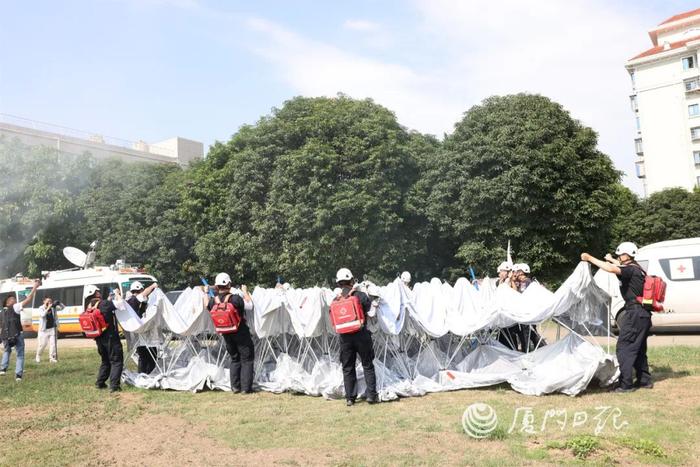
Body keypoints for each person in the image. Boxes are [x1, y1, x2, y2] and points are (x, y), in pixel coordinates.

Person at [581, 242, 652, 393]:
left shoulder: (629, 270)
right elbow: (618, 265)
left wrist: (589, 258)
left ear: (628, 255)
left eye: (621, 254)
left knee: (624, 348)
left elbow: (611, 269)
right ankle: (644, 380)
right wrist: (612, 258)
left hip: (634, 314)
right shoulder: (638, 269)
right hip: (643, 314)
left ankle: (625, 385)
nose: (619, 257)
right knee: (638, 348)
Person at [334, 268, 378, 406]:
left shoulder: (336, 299)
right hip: (361, 334)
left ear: (338, 283)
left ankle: (350, 398)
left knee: (348, 367)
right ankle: (371, 395)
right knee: (367, 364)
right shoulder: (360, 295)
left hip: (345, 337)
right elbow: (370, 312)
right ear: (351, 280)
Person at [204, 273, 255, 394]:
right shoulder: (235, 298)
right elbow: (250, 306)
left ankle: (235, 387)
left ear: (216, 286)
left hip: (226, 333)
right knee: (247, 359)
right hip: (240, 332)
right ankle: (246, 388)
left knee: (234, 359)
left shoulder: (213, 301)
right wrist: (245, 291)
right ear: (229, 284)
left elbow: (206, 305)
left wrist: (206, 292)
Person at [84, 285, 124, 392]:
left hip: (98, 338)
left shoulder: (89, 306)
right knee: (116, 360)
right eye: (98, 291)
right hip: (110, 337)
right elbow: (121, 305)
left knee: (105, 360)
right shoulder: (104, 303)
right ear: (95, 293)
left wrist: (109, 299)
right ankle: (114, 386)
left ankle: (100, 382)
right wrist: (117, 294)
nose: (100, 293)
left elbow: (104, 307)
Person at [1, 279, 39, 381]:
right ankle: (18, 375)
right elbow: (29, 298)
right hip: (17, 334)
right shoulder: (15, 307)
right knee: (20, 354)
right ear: (8, 302)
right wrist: (35, 287)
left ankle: (3, 368)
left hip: (5, 335)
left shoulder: (2, 312)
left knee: (7, 351)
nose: (15, 300)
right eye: (13, 299)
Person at [126, 281, 159, 375]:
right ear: (139, 290)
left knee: (143, 355)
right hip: (142, 332)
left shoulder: (129, 301)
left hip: (137, 333)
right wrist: (153, 286)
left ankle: (142, 374)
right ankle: (149, 374)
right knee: (151, 354)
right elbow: (144, 293)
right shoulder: (133, 300)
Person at [35, 296, 60, 363]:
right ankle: (38, 355)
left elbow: (62, 308)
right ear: (44, 301)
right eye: (48, 301)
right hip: (43, 330)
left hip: (52, 328)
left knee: (53, 344)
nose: (49, 302)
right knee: (42, 344)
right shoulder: (41, 308)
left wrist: (59, 303)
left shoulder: (53, 307)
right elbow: (42, 315)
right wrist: (48, 308)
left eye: (50, 301)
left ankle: (51, 358)